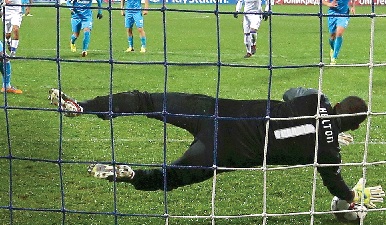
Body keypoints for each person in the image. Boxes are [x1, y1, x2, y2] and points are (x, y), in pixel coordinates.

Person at [47, 87, 384, 209]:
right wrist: (356, 197)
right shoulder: (328, 153)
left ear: (338, 104)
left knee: (148, 101)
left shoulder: (314, 99)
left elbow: (291, 91)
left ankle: (82, 107)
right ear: (353, 127)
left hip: (219, 111)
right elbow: (336, 186)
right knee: (173, 177)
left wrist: (322, 103)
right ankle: (131, 174)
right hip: (229, 151)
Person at [322, 0, 356, 65]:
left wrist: (353, 6)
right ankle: (333, 48)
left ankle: (334, 57)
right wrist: (329, 4)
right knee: (332, 36)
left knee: (339, 33)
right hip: (332, 13)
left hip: (344, 14)